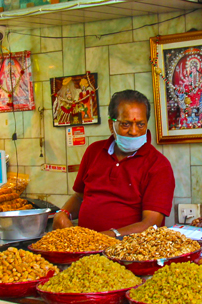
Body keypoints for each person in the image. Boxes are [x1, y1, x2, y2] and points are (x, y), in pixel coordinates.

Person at [53, 90, 175, 238]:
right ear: (111, 125)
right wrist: (63, 213)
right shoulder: (94, 151)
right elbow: (80, 196)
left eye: (141, 124)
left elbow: (150, 224)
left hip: (130, 251)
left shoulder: (158, 165)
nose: (134, 131)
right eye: (126, 124)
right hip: (86, 249)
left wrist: (102, 238)